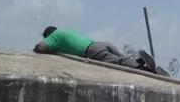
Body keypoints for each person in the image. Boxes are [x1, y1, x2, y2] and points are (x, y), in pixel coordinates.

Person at [33, 26, 164, 74]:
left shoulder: (54, 36)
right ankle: (140, 62)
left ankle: (143, 68)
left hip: (91, 51)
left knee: (118, 63)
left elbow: (40, 48)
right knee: (122, 59)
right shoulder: (65, 32)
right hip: (100, 44)